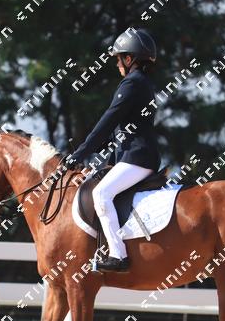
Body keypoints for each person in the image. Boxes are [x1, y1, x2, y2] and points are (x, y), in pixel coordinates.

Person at [67, 28, 161, 273]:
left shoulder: (131, 83)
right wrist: (97, 160)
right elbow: (120, 130)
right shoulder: (143, 83)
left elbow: (108, 121)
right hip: (136, 155)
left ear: (129, 59)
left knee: (101, 194)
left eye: (119, 59)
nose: (117, 64)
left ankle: (118, 255)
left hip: (137, 157)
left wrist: (79, 153)